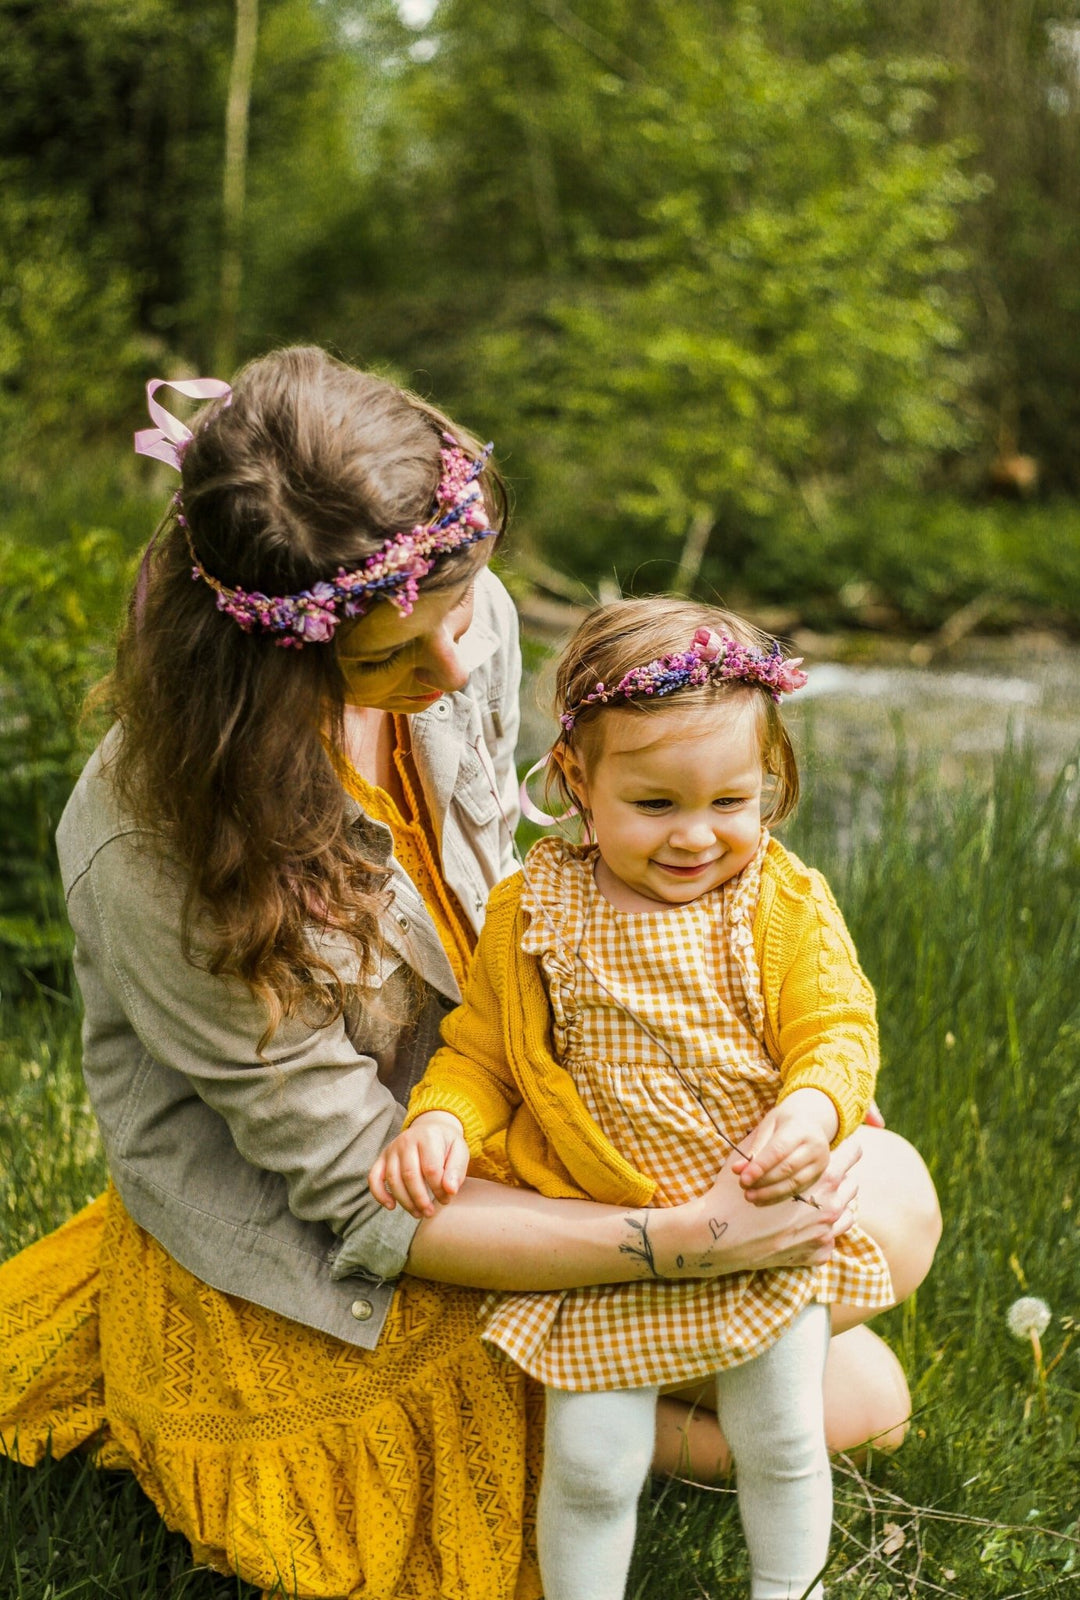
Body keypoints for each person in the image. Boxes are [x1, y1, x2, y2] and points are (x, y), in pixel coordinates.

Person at [0, 349, 939, 1600]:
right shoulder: (152, 847)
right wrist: (681, 1239)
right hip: (348, 1241)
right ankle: (651, 1398)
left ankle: (671, 1357)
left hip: (525, 1126)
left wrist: (751, 1085)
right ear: (263, 673)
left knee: (894, 1197)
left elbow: (517, 909)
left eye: (463, 611)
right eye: (394, 660)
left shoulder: (462, 620)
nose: (455, 666)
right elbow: (357, 1196)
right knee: (858, 1394)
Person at [371, 598, 917, 1600]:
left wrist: (811, 1111)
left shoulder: (781, 903)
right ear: (579, 778)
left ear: (771, 785)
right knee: (589, 1461)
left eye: (730, 802)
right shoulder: (534, 908)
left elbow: (837, 1034)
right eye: (656, 804)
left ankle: (789, 1587)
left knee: (780, 1434)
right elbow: (482, 1055)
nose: (696, 836)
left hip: (756, 1219)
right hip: (603, 1233)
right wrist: (442, 1119)